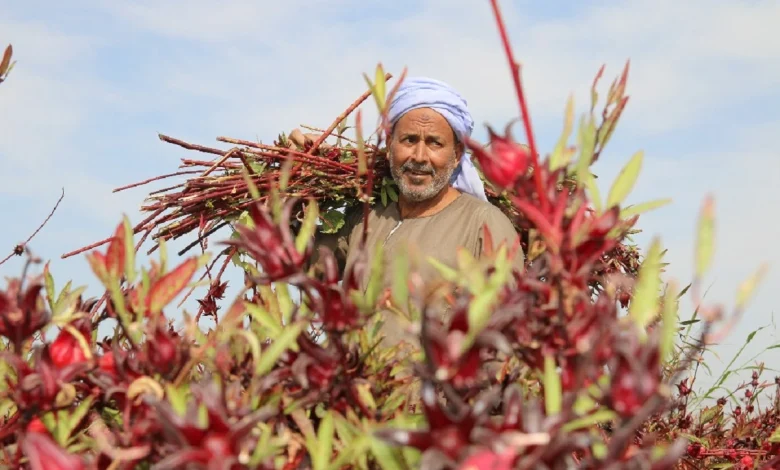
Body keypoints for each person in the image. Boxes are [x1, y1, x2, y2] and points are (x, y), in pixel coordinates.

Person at [290, 77, 524, 346]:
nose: (420, 156)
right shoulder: (366, 218)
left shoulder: (484, 224)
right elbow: (307, 264)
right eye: (409, 140)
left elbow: (507, 332)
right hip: (351, 385)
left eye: (435, 143)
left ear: (457, 154)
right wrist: (293, 179)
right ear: (390, 143)